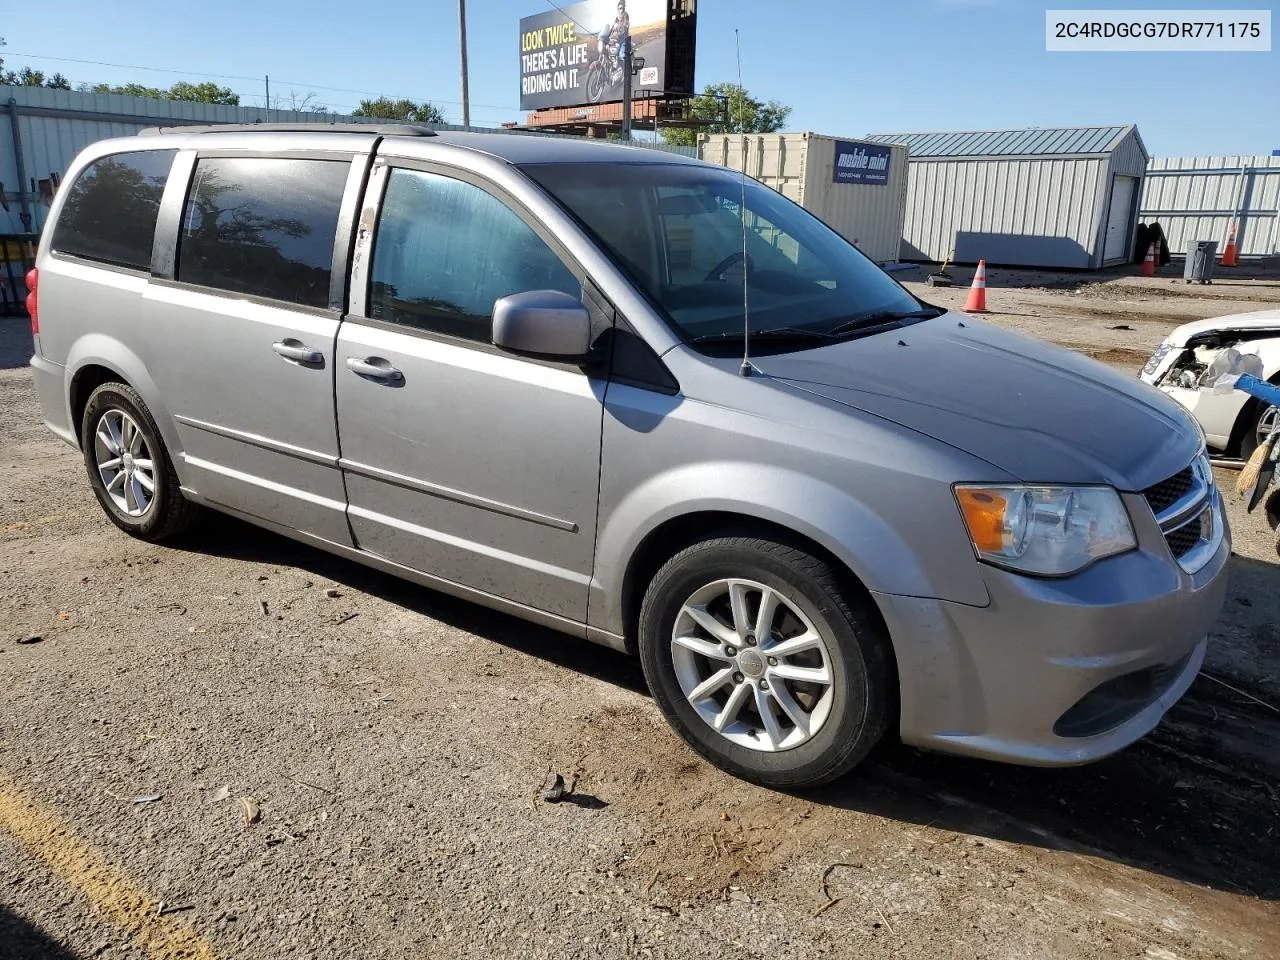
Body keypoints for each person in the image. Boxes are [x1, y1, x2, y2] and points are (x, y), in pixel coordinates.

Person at [597, 0, 631, 73]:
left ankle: (627, 72)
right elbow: (611, 29)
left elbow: (624, 30)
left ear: (624, 8)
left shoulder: (626, 16)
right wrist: (604, 38)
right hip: (615, 40)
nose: (620, 10)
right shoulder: (616, 19)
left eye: (622, 8)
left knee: (622, 55)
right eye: (619, 8)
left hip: (623, 40)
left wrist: (617, 38)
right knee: (607, 52)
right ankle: (612, 68)